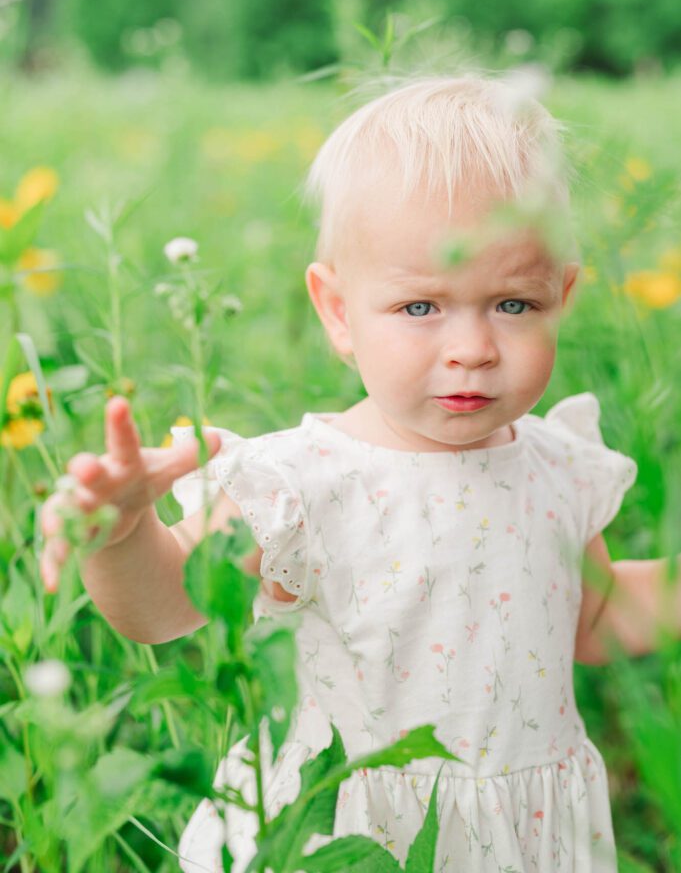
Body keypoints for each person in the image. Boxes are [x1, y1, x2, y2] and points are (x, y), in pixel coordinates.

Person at [40, 75, 676, 872]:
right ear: (337, 312)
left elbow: (595, 616)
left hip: (523, 828)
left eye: (513, 304)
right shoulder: (303, 483)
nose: (472, 347)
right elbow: (167, 606)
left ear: (562, 296)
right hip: (349, 831)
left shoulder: (557, 466)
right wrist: (123, 534)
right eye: (420, 308)